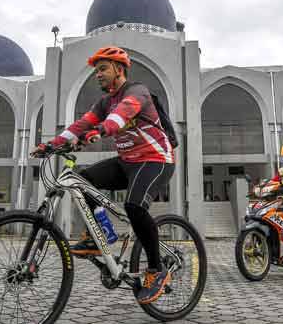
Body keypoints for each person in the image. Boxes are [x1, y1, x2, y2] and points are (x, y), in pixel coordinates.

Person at [31, 46, 175, 304]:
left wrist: (102, 129)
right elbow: (79, 125)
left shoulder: (136, 92)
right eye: (96, 70)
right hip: (128, 161)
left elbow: (121, 116)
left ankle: (157, 269)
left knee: (134, 206)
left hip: (156, 160)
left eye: (102, 69)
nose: (97, 75)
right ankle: (101, 233)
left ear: (119, 70)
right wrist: (50, 145)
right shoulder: (104, 102)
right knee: (83, 179)